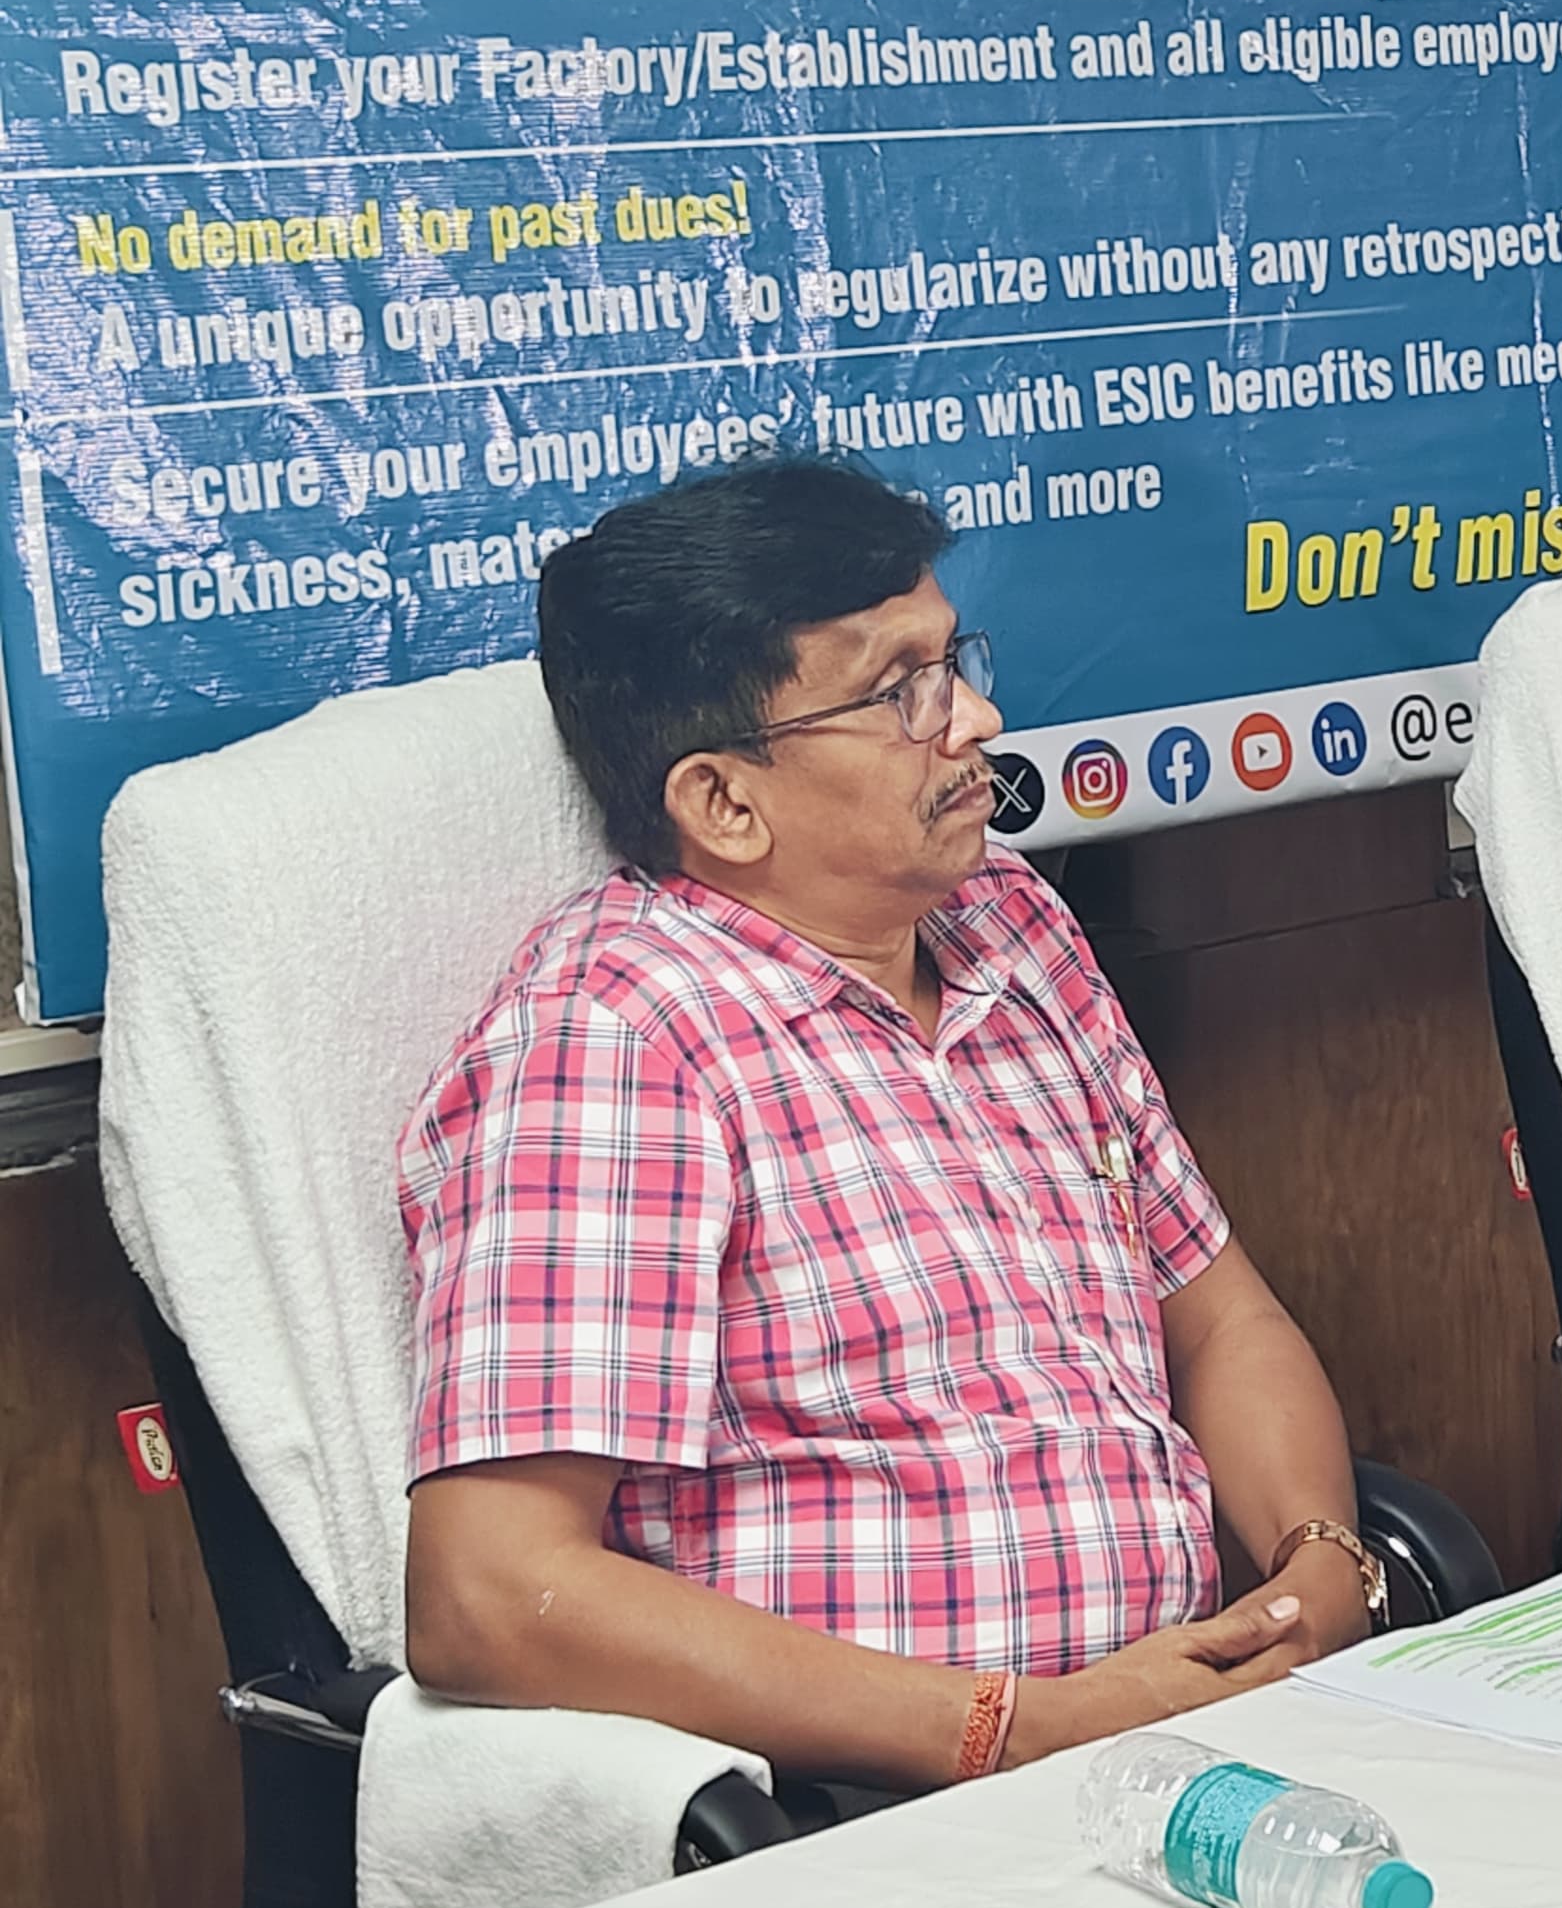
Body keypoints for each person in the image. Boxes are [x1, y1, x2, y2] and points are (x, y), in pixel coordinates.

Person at [399, 455, 1387, 1798]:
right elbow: (488, 1592)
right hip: (875, 1801)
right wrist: (1017, 1727)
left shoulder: (1012, 924)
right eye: (898, 691)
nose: (975, 718)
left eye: (952, 661)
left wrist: (1321, 1559)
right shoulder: (619, 1041)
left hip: (1176, 1736)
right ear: (723, 803)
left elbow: (1220, 1319)